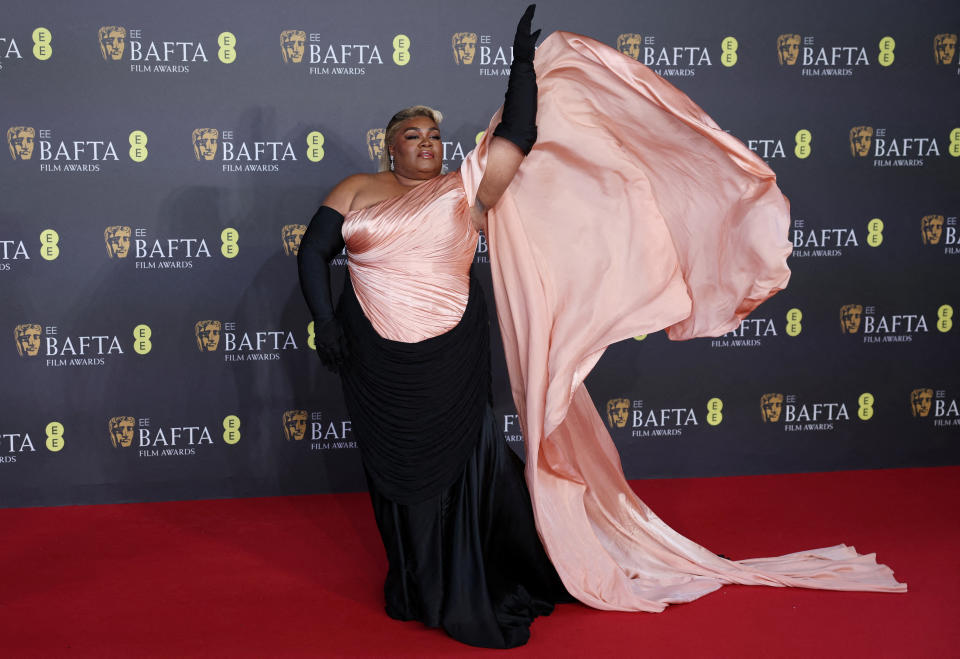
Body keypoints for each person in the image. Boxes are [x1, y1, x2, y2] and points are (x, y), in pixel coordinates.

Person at [299, 5, 905, 649]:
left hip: (449, 355)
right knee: (391, 471)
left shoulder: (464, 190)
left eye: (434, 136)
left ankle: (460, 585)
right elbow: (313, 253)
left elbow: (519, 136)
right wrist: (324, 323)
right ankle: (415, 584)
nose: (427, 144)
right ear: (388, 145)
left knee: (457, 469)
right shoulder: (356, 188)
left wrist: (521, 67)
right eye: (413, 135)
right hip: (372, 357)